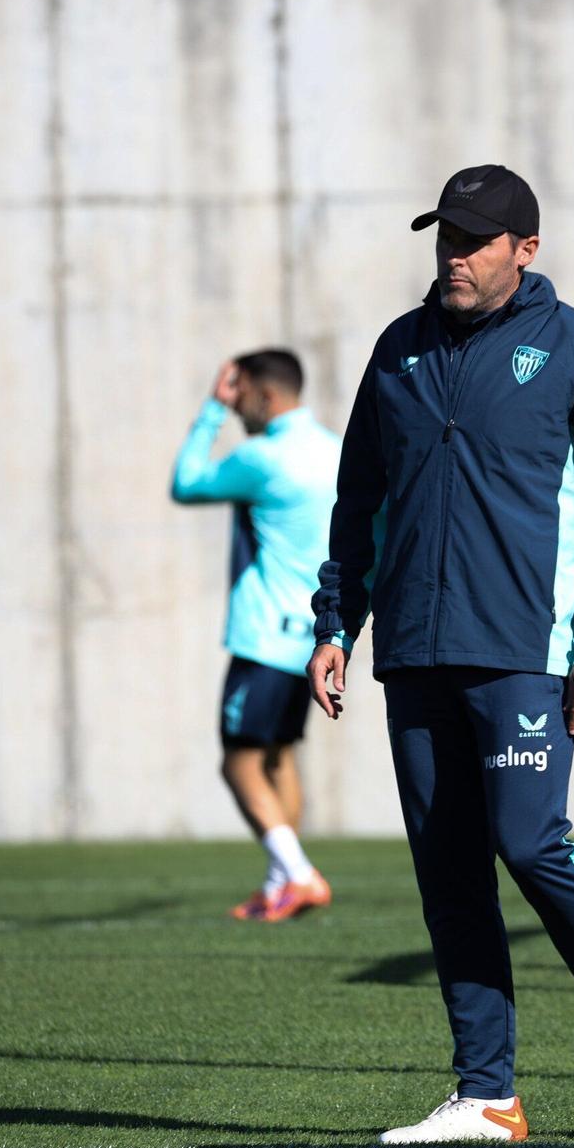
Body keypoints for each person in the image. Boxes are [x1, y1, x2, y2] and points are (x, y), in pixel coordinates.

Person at [306, 164, 574, 1145]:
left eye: (475, 240)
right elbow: (358, 501)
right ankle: (487, 1093)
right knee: (447, 873)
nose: (454, 256)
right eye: (445, 238)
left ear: (525, 249)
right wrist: (335, 625)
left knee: (530, 845)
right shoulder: (397, 351)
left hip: (527, 649)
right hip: (413, 651)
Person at [171, 350, 341, 920]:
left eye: (241, 394)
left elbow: (187, 483)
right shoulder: (334, 449)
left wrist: (210, 413)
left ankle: (298, 874)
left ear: (266, 397)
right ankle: (279, 885)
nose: (237, 404)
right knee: (277, 757)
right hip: (315, 636)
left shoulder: (263, 457)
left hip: (267, 634)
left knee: (238, 762)